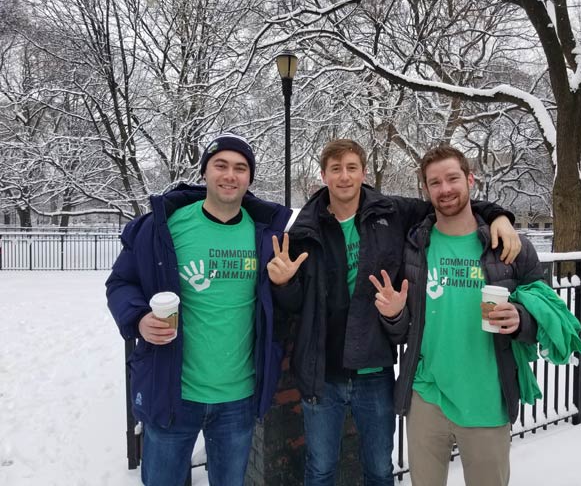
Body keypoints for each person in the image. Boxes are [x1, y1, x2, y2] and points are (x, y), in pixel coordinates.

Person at [266, 139, 521, 486]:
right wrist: (283, 284)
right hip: (322, 372)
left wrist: (498, 215)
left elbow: (447, 203)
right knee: (320, 468)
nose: (344, 177)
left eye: (352, 167)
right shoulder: (304, 229)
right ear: (323, 175)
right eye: (336, 169)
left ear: (364, 172)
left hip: (374, 370)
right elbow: (295, 306)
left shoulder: (391, 212)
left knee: (380, 470)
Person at [106, 133, 292, 486]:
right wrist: (138, 318)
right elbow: (120, 283)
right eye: (220, 165)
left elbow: (282, 304)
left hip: (238, 398)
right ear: (204, 171)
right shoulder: (162, 228)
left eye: (240, 168)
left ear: (249, 178)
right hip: (173, 393)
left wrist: (287, 285)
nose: (229, 175)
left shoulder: (266, 235)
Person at [371, 144, 545, 486]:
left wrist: (521, 319)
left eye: (452, 178)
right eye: (434, 182)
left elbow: (547, 313)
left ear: (470, 179)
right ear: (425, 189)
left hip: (485, 401)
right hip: (426, 399)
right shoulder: (414, 247)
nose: (445, 189)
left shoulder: (509, 246)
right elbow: (407, 331)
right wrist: (394, 316)